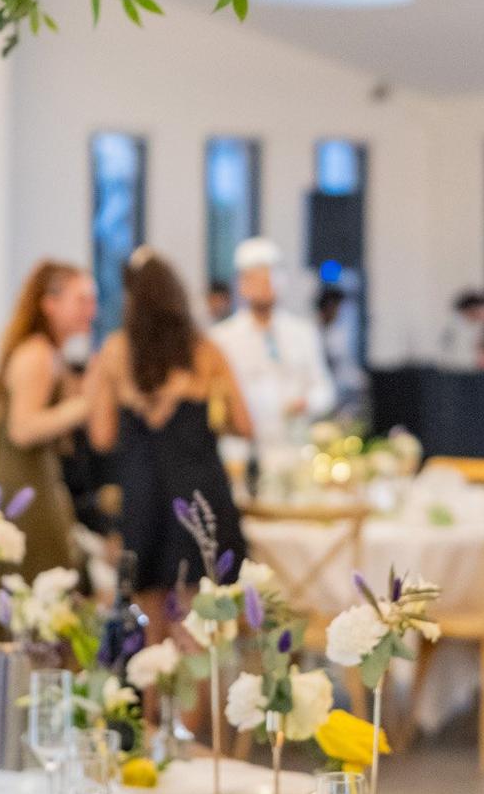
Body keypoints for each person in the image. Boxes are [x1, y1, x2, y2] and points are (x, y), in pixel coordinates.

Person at [89, 249, 252, 617]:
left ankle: (152, 674)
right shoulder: (206, 352)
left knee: (147, 614)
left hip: (143, 491)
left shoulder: (114, 352)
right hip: (199, 495)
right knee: (197, 617)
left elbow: (101, 437)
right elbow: (244, 425)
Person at [0, 261, 96, 583]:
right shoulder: (37, 354)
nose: (91, 309)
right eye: (82, 300)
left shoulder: (51, 353)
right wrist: (88, 405)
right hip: (27, 484)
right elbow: (23, 429)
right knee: (39, 579)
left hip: (36, 479)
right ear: (49, 304)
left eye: (92, 300)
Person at [210, 237, 334, 443]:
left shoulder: (303, 332)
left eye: (269, 278)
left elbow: (324, 388)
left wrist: (307, 403)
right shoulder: (222, 338)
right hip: (243, 447)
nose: (265, 285)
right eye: (256, 279)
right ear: (242, 284)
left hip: (294, 443)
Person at [316, 285, 366, 416]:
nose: (337, 312)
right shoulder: (312, 334)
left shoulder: (338, 332)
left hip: (342, 393)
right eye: (336, 307)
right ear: (328, 307)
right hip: (322, 395)